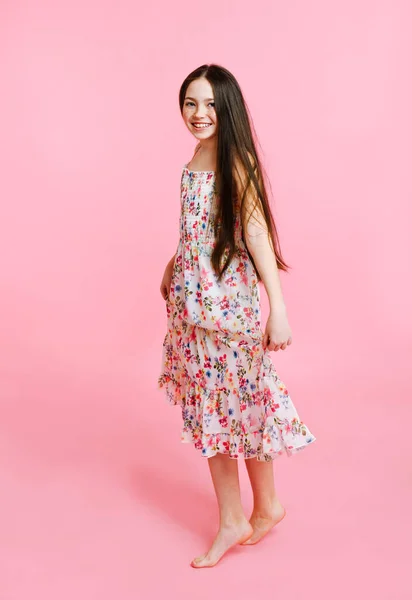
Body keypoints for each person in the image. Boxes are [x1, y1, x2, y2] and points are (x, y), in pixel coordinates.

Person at [158, 64, 316, 569]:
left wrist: (279, 308)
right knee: (233, 408)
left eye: (208, 104)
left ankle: (233, 518)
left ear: (227, 108)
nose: (199, 114)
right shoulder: (198, 152)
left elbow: (257, 235)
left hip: (226, 309)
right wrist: (174, 262)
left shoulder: (235, 160)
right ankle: (266, 506)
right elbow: (202, 226)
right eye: (190, 103)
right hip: (194, 304)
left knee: (223, 408)